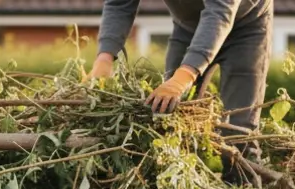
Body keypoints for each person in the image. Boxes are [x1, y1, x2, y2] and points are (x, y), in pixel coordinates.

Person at [89, 0, 273, 136]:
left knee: (237, 132)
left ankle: (241, 184)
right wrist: (105, 57)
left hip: (248, 26)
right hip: (189, 27)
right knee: (169, 124)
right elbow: (119, 4)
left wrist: (182, 78)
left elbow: (220, 12)